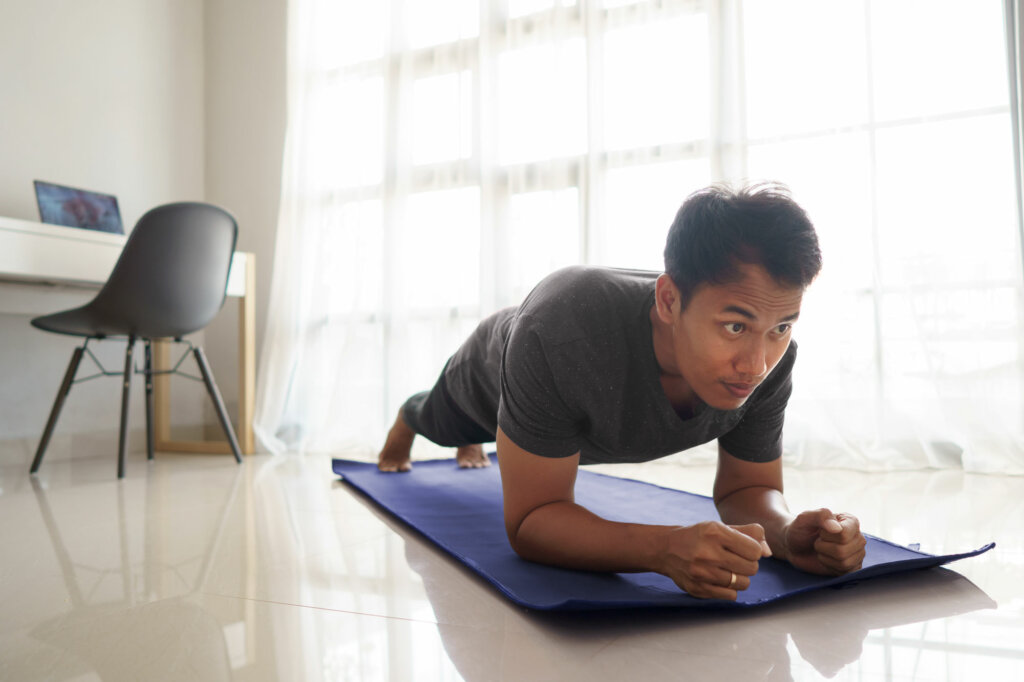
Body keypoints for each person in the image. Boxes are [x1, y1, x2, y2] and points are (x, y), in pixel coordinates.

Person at [377, 183, 867, 600]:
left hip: (556, 387)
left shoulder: (771, 358)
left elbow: (747, 488)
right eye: (735, 327)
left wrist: (785, 534)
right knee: (443, 424)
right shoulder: (560, 330)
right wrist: (662, 549)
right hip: (493, 368)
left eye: (781, 326)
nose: (757, 365)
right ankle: (408, 419)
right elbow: (530, 522)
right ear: (670, 300)